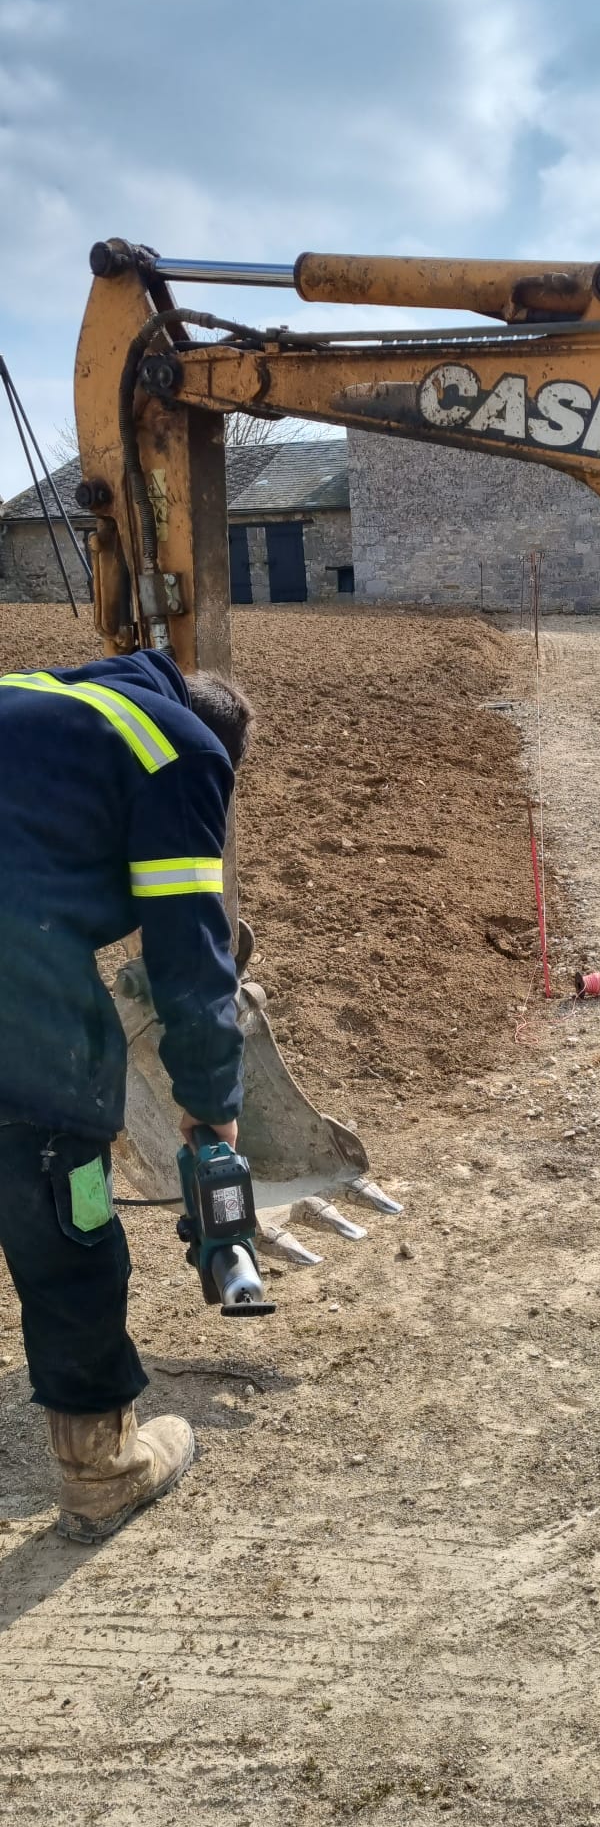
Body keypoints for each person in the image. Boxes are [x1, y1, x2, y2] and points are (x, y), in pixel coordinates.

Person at [0, 647, 253, 1542]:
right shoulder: (179, 749)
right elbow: (187, 951)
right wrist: (211, 1102)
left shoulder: (36, 701)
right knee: (63, 1217)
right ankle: (102, 1471)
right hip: (19, 999)